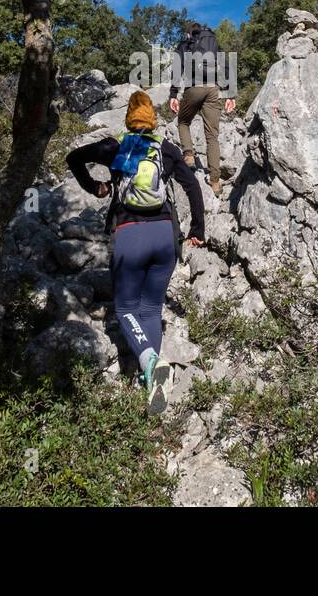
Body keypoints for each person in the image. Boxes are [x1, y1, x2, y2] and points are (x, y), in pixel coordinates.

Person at [66, 90, 206, 415]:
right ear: (153, 120)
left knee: (126, 308)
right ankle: (153, 385)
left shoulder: (115, 146)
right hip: (164, 238)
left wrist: (96, 187)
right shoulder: (166, 149)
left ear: (128, 118)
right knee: (151, 309)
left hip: (130, 236)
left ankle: (149, 361)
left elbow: (72, 158)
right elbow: (193, 185)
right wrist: (197, 230)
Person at [168, 20, 236, 196]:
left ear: (188, 33)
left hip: (194, 87)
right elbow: (226, 65)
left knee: (183, 121)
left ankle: (189, 155)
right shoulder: (212, 43)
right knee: (212, 136)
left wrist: (173, 95)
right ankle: (215, 181)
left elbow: (177, 68)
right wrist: (230, 94)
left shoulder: (185, 44)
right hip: (213, 89)